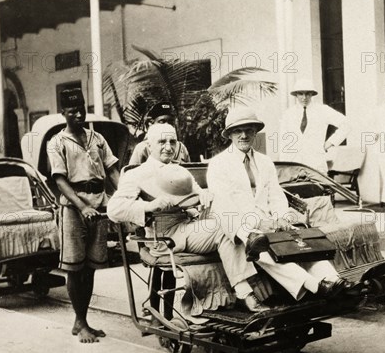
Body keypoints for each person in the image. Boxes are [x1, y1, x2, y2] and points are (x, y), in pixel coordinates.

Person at [108, 123, 268, 313]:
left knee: (229, 220)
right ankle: (245, 293)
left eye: (172, 141)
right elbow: (114, 209)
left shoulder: (180, 172)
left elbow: (198, 195)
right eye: (162, 142)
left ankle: (246, 285)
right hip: (164, 237)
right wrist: (149, 205)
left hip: (188, 227)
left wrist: (205, 196)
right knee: (225, 230)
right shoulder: (136, 175)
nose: (168, 147)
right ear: (149, 146)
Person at [207, 106, 349, 304]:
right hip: (242, 226)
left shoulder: (265, 162)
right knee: (260, 248)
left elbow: (275, 195)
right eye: (238, 130)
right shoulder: (218, 165)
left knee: (301, 242)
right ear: (229, 134)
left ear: (255, 132)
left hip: (270, 222)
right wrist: (253, 228)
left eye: (248, 129)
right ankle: (315, 286)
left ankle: (334, 280)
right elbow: (224, 207)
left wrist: (281, 217)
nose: (243, 135)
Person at [47, 88, 120, 343]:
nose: (78, 114)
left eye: (81, 108)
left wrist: (123, 198)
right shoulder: (56, 142)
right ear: (63, 113)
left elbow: (111, 170)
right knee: (74, 268)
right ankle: (80, 321)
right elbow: (60, 180)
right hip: (74, 208)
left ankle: (83, 320)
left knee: (90, 268)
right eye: (72, 111)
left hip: (99, 204)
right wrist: (82, 206)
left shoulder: (97, 138)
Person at [278, 79, 350, 173]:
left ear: (312, 94)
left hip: (316, 163)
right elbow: (283, 142)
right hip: (294, 164)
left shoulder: (322, 110)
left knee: (316, 187)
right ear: (296, 94)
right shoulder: (288, 114)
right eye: (300, 93)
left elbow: (347, 124)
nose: (304, 97)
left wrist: (329, 143)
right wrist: (284, 166)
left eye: (307, 93)